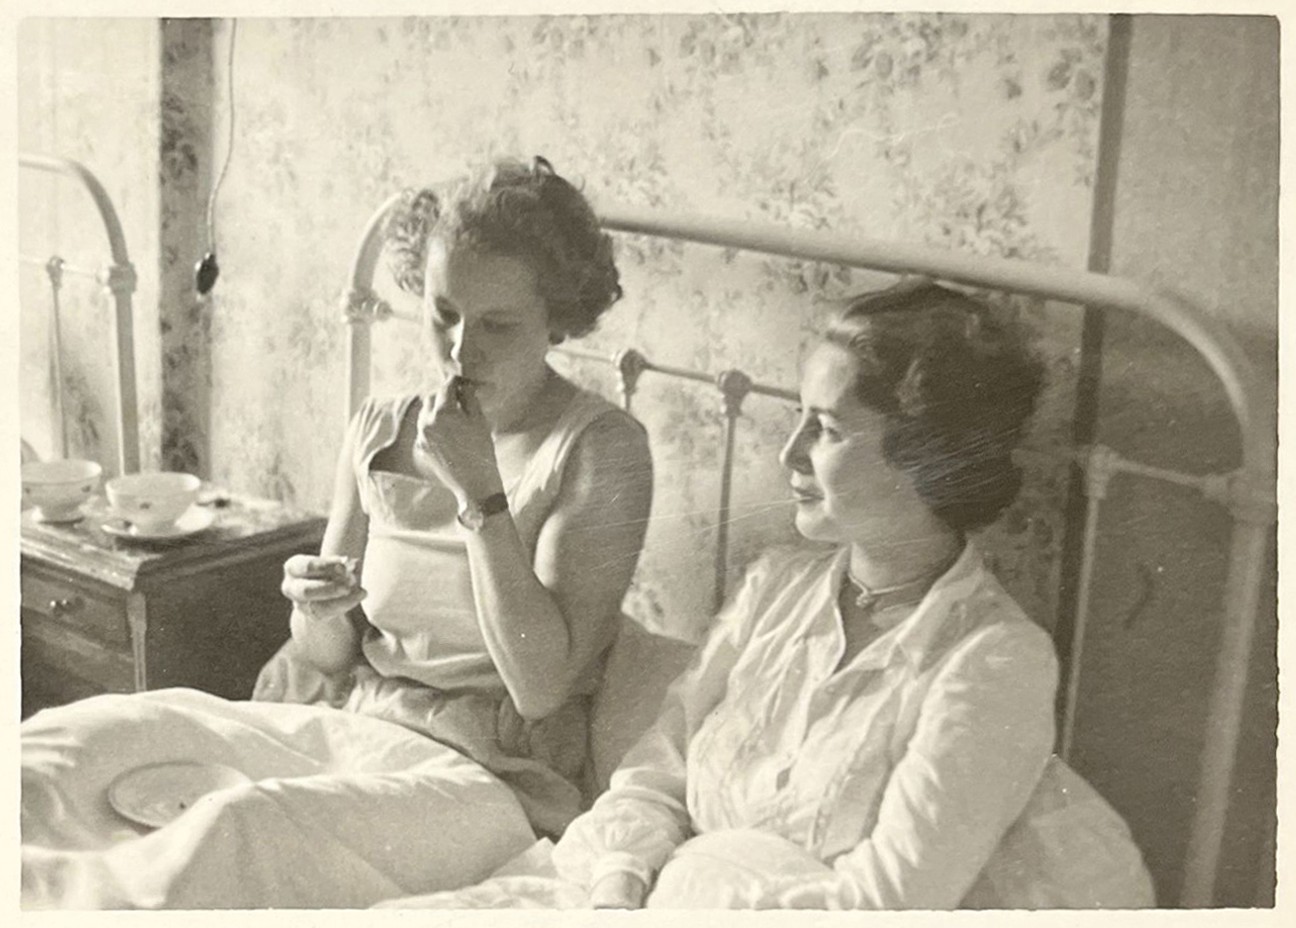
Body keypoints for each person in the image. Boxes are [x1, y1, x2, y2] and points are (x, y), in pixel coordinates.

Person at [386, 279, 1155, 910]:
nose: (789, 453)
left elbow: (884, 905)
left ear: (927, 457)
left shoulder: (993, 662)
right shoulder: (776, 589)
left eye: (826, 429)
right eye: (798, 420)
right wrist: (619, 893)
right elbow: (655, 777)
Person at [20, 156, 654, 909]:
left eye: (497, 325)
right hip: (351, 721)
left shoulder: (598, 448)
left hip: (489, 775)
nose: (460, 349)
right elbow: (329, 655)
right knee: (68, 749)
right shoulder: (380, 427)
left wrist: (480, 494)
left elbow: (541, 688)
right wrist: (315, 605)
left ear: (559, 320)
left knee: (239, 828)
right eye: (444, 313)